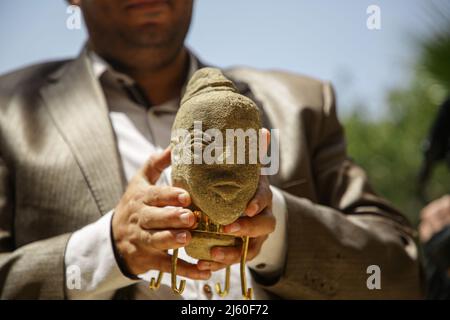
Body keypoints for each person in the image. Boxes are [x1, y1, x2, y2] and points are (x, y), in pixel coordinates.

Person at [0, 0, 421, 299]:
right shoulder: (9, 113)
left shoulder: (304, 105)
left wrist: (277, 232)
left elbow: (401, 271)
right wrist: (108, 250)